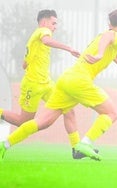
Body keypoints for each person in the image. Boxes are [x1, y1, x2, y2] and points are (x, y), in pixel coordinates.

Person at [0, 9, 117, 161]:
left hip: (66, 79)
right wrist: (100, 54)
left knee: (43, 122)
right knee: (111, 113)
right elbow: (110, 36)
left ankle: (4, 145)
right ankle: (85, 143)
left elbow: (115, 55)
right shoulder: (116, 36)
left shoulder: (105, 39)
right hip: (79, 80)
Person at [0, 9, 82, 159]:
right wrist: (69, 48)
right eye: (54, 23)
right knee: (23, 121)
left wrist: (31, 63)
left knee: (68, 110)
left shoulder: (33, 39)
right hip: (33, 85)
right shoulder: (43, 31)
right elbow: (46, 41)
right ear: (44, 22)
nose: (55, 27)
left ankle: (76, 148)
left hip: (47, 84)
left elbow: (24, 63)